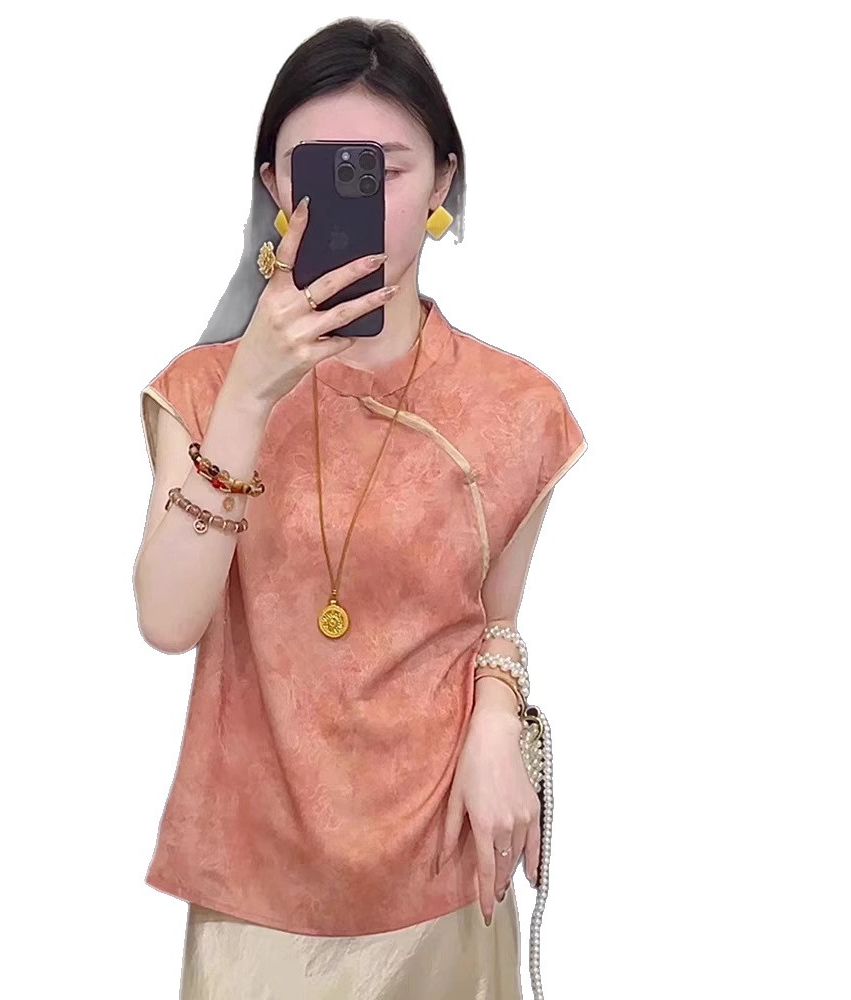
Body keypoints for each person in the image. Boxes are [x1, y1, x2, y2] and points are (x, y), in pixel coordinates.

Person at [133, 17, 587, 1000]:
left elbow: (494, 623)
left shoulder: (516, 408)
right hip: (254, 896)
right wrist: (250, 396)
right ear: (273, 186)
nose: (359, 198)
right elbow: (168, 620)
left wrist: (497, 724)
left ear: (443, 184)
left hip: (442, 877)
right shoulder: (203, 390)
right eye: (323, 168)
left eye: (386, 168)